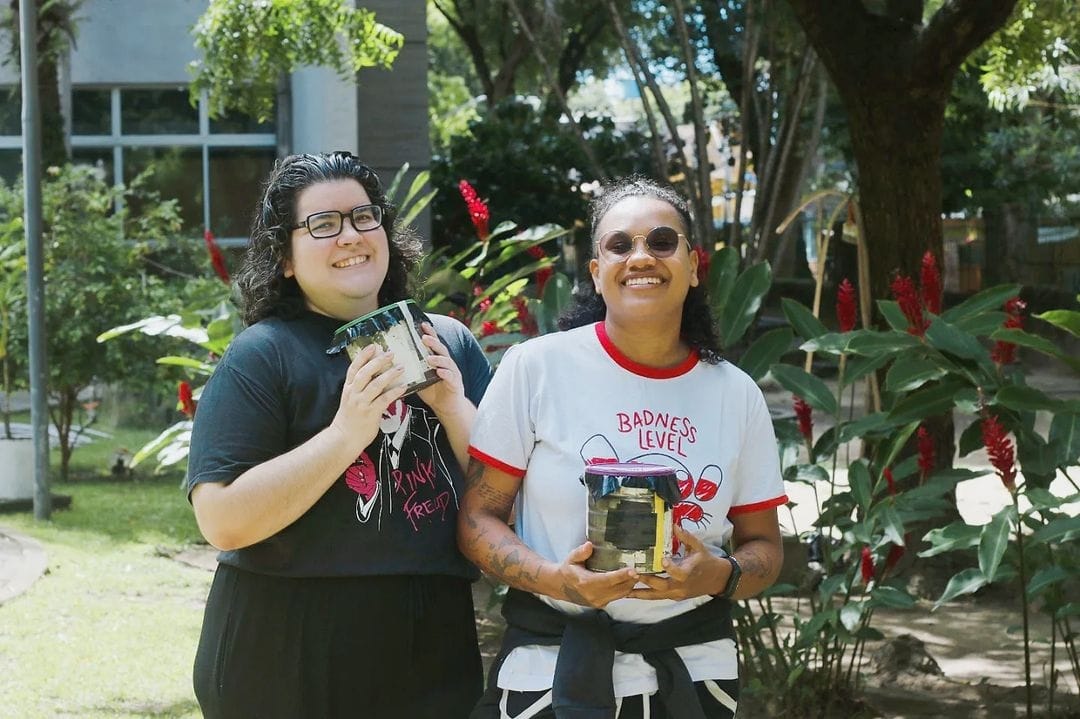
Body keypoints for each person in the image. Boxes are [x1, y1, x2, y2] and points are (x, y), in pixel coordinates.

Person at [459, 177, 787, 719]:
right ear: (595, 271)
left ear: (693, 264)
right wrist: (556, 580)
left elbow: (765, 548)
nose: (641, 257)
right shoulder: (535, 369)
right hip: (553, 666)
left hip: (694, 672)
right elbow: (476, 519)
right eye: (620, 244)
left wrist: (717, 575)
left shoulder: (736, 394)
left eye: (662, 241)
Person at [187, 151, 490, 718]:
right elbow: (221, 521)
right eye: (322, 225)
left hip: (430, 635)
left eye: (363, 217)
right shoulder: (263, 355)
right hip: (283, 641)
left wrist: (452, 407)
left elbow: (507, 497)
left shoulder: (449, 343)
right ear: (284, 259)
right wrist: (346, 434)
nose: (349, 235)